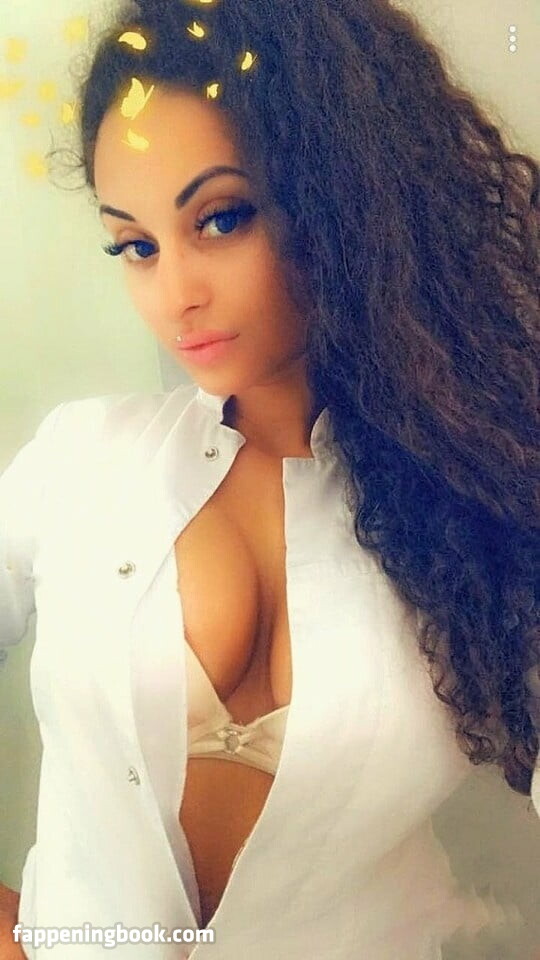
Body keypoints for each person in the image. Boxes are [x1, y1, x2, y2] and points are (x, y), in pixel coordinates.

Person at [1, 0, 539, 957]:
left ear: (347, 203)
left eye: (222, 218)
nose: (175, 294)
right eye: (136, 245)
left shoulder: (485, 502)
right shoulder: (80, 461)